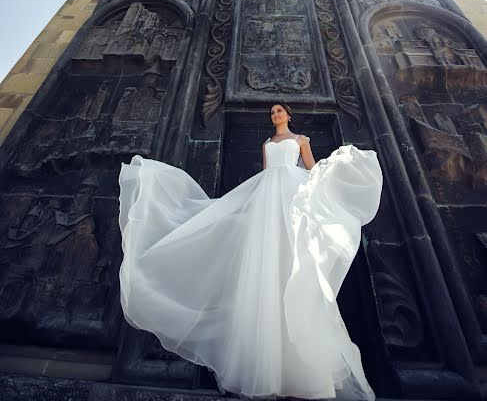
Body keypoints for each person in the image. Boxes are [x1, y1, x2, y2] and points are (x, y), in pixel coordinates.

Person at [118, 103, 383, 400]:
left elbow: (312, 171)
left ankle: (301, 372)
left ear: (289, 115)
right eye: (272, 113)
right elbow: (267, 172)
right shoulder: (267, 143)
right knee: (264, 266)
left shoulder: (301, 141)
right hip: (267, 199)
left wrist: (337, 167)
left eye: (279, 111)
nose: (275, 115)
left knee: (291, 263)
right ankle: (268, 372)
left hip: (291, 197)